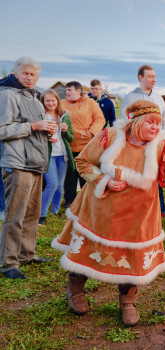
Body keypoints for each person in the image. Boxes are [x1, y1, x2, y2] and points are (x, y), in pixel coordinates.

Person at [50, 100, 165, 326]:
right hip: (100, 210)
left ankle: (128, 301)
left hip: (139, 214)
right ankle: (75, 288)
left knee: (132, 256)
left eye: (158, 123)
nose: (155, 127)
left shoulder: (161, 147)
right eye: (150, 122)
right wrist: (103, 180)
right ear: (135, 122)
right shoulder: (110, 137)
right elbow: (83, 162)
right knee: (88, 249)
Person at [0, 57, 58, 279]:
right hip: (17, 163)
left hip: (35, 163)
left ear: (38, 76)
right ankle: (8, 262)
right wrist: (34, 126)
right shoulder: (7, 95)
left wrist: (48, 133)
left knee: (32, 213)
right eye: (24, 73)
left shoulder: (35, 98)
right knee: (15, 215)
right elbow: (2, 129)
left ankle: (26, 254)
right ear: (15, 73)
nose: (28, 77)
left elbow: (36, 129)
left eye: (32, 74)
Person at [61, 81, 105, 207]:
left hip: (85, 145)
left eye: (70, 90)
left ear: (78, 91)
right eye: (66, 90)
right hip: (68, 145)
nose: (67, 92)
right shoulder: (62, 103)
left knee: (84, 174)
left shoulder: (90, 103)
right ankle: (69, 201)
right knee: (69, 175)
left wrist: (91, 133)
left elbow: (100, 119)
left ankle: (86, 201)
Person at [39, 89, 75, 225]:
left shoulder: (64, 116)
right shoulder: (41, 116)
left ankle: (54, 211)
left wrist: (65, 131)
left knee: (60, 185)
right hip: (48, 155)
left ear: (57, 101)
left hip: (62, 155)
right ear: (43, 102)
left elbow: (71, 138)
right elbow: (35, 137)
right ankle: (41, 214)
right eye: (47, 100)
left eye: (53, 100)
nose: (50, 103)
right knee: (52, 184)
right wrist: (47, 138)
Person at [120, 65, 165, 136]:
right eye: (150, 77)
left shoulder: (159, 99)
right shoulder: (129, 98)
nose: (154, 80)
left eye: (154, 77)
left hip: (156, 144)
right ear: (141, 78)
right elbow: (123, 122)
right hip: (136, 144)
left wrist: (163, 137)